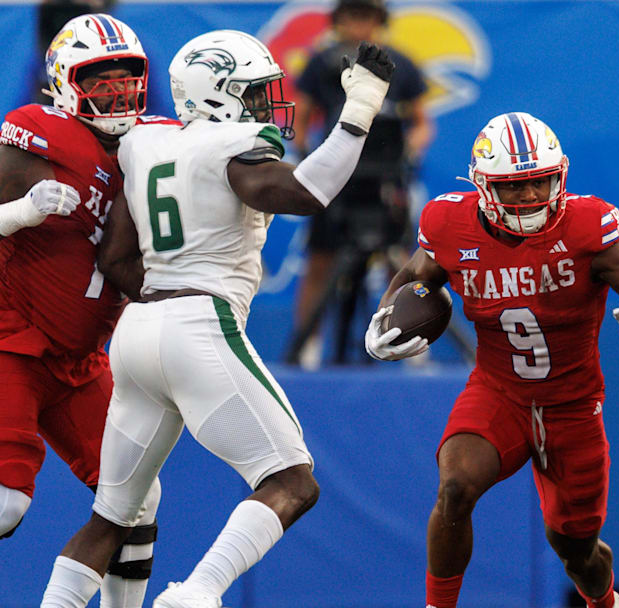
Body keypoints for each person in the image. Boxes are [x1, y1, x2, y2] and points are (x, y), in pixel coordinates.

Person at [38, 32, 395, 607]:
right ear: (217, 93)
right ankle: (198, 592)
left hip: (139, 331)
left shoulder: (145, 143)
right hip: (200, 325)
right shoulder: (232, 143)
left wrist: (167, 296)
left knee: (111, 517)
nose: (265, 105)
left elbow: (115, 259)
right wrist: (360, 110)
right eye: (253, 93)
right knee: (292, 481)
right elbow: (306, 192)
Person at [363, 111, 619, 608]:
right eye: (514, 186)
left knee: (576, 551)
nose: (531, 196)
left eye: (540, 182)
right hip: (499, 392)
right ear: (483, 186)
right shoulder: (449, 223)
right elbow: (415, 274)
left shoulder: (586, 227)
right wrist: (384, 320)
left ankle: (605, 602)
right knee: (455, 487)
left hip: (573, 407)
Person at [0, 14, 163, 608]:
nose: (117, 89)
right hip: (13, 343)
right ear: (66, 82)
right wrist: (23, 212)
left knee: (138, 497)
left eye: (126, 75)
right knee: (7, 503)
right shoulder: (37, 129)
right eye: (100, 77)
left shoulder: (152, 142)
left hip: (82, 360)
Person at [289, 0, 433, 366]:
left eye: (366, 16)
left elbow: (421, 123)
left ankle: (413, 344)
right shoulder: (321, 63)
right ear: (338, 20)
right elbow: (301, 117)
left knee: (401, 262)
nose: (358, 25)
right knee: (321, 261)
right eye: (351, 16)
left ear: (379, 20)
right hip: (334, 183)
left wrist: (406, 152)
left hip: (386, 182)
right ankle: (308, 348)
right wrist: (310, 161)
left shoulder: (401, 63)